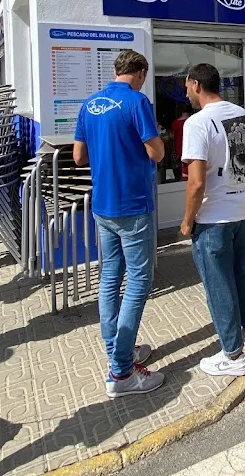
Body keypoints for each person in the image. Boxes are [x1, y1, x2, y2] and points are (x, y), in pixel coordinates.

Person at [73, 50, 166, 398]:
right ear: (140, 72)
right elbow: (156, 152)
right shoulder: (137, 102)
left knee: (110, 277)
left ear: (115, 71)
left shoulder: (90, 104)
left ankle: (116, 349)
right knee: (140, 280)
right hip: (133, 204)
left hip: (103, 205)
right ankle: (122, 372)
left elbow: (79, 156)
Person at [181, 63, 245, 377]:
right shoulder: (241, 113)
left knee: (219, 285)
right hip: (242, 213)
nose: (186, 91)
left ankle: (232, 356)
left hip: (214, 217)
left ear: (195, 84)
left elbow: (196, 182)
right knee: (242, 275)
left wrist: (187, 219)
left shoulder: (197, 123)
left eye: (186, 86)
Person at [171, 105, 193, 180]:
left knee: (183, 164)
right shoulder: (193, 121)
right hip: (192, 146)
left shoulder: (175, 123)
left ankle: (184, 178)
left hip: (179, 145)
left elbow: (172, 136)